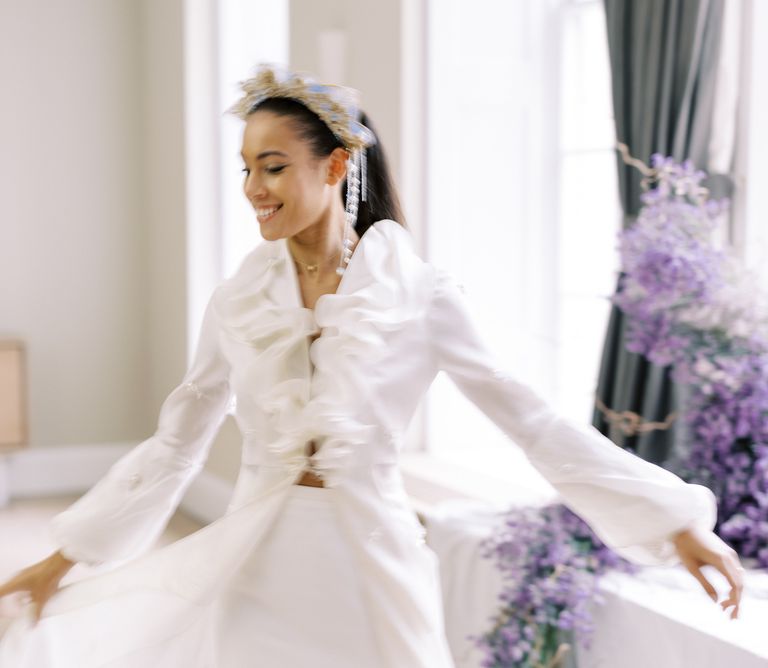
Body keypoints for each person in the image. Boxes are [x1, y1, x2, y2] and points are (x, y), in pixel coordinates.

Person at [0, 63, 744, 667]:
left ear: (338, 164)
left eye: (273, 165)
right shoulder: (238, 300)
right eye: (246, 169)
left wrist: (672, 521)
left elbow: (529, 417)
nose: (254, 189)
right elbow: (176, 443)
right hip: (256, 564)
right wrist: (59, 562)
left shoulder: (418, 295)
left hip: (370, 566)